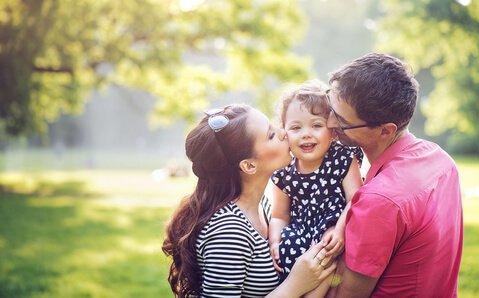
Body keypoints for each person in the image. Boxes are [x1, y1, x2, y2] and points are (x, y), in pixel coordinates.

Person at [323, 53, 463, 297]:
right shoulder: (442, 160)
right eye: (330, 106)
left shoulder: (379, 200)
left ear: (385, 131)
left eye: (342, 121)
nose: (328, 123)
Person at [162, 104, 337, 298]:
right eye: (271, 135)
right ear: (249, 165)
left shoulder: (263, 207)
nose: (284, 133)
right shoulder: (229, 230)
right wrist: (295, 284)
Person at [268, 80, 363, 297]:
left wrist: (339, 229)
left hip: (333, 230)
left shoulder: (343, 159)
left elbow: (356, 199)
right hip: (299, 235)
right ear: (285, 134)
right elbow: (279, 216)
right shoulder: (284, 174)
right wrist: (275, 240)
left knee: (324, 252)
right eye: (295, 127)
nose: (306, 134)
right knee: (289, 250)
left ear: (332, 132)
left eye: (317, 125)